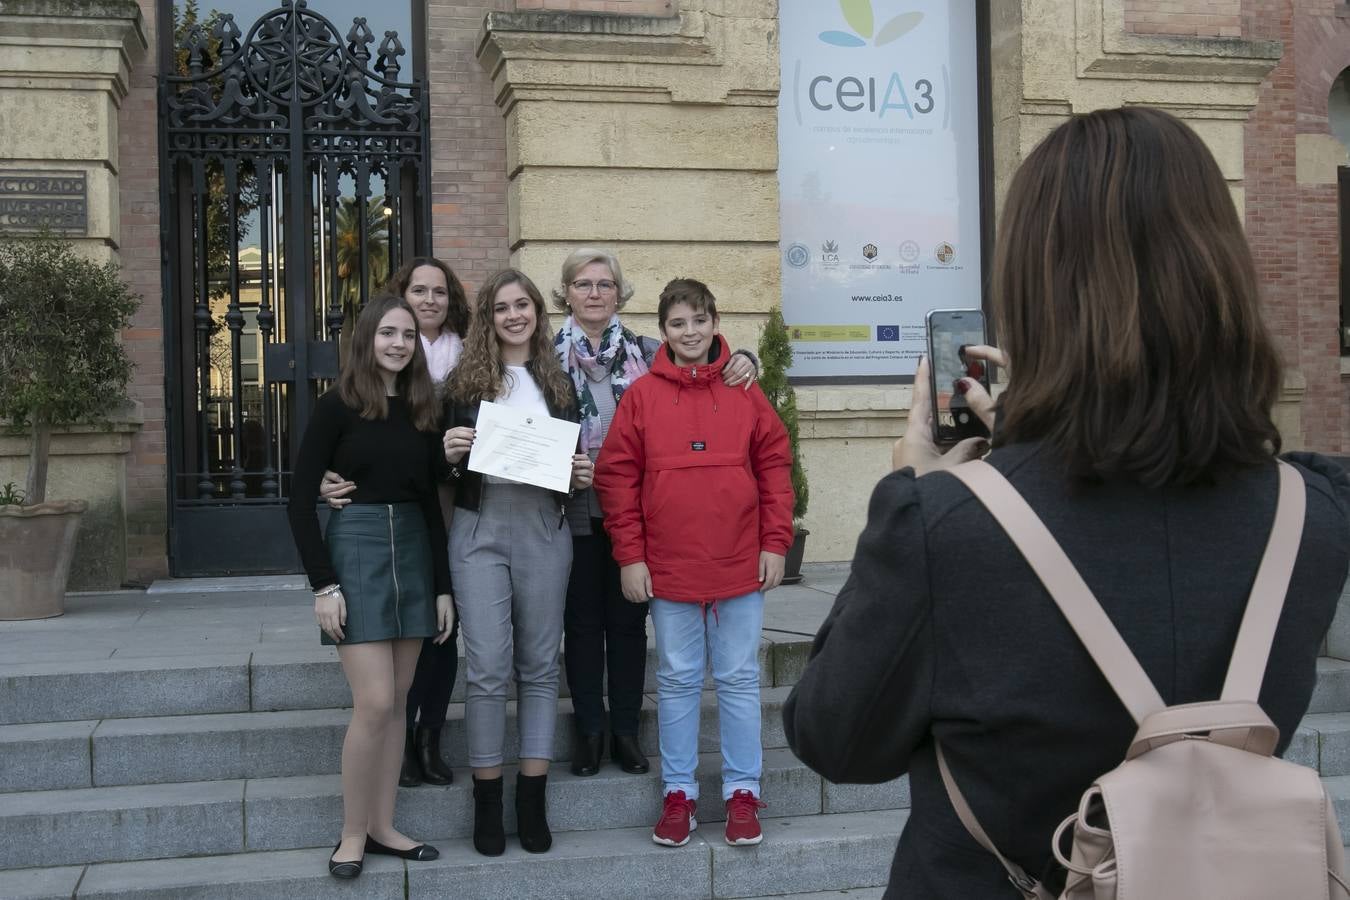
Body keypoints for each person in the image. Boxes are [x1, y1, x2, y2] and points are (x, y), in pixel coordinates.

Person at [781, 107, 1350, 898]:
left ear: (1036, 290)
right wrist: (1027, 434)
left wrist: (911, 487)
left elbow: (834, 740)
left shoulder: (944, 526)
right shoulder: (1313, 512)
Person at [594, 277, 794, 849]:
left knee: (736, 679)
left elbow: (776, 466)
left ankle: (742, 794)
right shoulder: (641, 396)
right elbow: (616, 478)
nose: (690, 332)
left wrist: (775, 542)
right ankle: (677, 794)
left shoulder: (745, 391)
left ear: (715, 323)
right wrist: (630, 557)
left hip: (738, 564)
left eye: (699, 321)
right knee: (678, 681)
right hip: (670, 566)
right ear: (663, 332)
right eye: (678, 324)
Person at [551, 248, 760, 778]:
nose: (594, 293)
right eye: (583, 284)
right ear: (567, 294)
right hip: (566, 506)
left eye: (604, 284)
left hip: (639, 510)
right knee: (580, 622)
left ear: (620, 293)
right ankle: (589, 731)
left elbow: (707, 363)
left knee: (627, 622)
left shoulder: (649, 350)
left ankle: (625, 729)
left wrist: (747, 360)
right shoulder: (541, 356)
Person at [287, 293, 454, 880]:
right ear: (366, 338)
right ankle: (351, 833)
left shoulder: (422, 409)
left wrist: (441, 587)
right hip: (354, 551)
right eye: (388, 332)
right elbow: (299, 502)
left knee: (399, 703)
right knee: (375, 702)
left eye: (407, 335)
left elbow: (433, 506)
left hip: (412, 552)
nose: (398, 343)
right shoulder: (337, 407)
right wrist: (322, 585)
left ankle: (384, 827)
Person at [442, 267, 593, 856]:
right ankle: (486, 798)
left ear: (536, 312)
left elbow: (572, 463)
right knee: (485, 666)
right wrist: (448, 453)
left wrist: (580, 475)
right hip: (479, 526)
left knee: (537, 665)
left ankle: (532, 797)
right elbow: (443, 466)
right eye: (501, 307)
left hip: (543, 526)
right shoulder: (464, 383)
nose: (513, 315)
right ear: (488, 317)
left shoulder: (558, 382)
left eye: (522, 305)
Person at [321, 256, 471, 788]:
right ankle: (397, 743)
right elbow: (333, 445)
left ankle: (429, 738)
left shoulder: (472, 357)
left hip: (447, 507)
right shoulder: (370, 373)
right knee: (388, 660)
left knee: (439, 632)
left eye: (440, 292)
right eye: (419, 291)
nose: (430, 300)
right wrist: (322, 478)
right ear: (398, 301)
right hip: (386, 519)